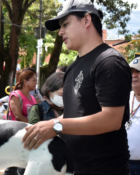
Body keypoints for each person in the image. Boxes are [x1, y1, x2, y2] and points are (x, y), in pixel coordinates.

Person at [22, 0, 131, 175]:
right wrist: (47, 127)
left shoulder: (108, 61)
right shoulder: (73, 67)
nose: (60, 32)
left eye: (65, 24)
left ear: (86, 20)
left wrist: (56, 125)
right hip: (72, 168)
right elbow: (76, 114)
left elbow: (111, 119)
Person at [4, 70, 37, 175]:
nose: (36, 82)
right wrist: (32, 125)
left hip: (28, 133)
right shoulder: (15, 95)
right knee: (13, 164)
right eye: (34, 80)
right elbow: (18, 116)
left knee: (24, 163)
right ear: (25, 82)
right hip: (16, 133)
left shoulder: (32, 98)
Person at [126, 57, 140, 175]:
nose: (134, 75)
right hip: (123, 163)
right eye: (132, 72)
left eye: (139, 72)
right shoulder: (124, 97)